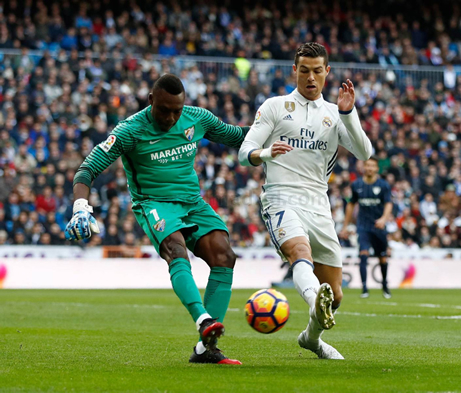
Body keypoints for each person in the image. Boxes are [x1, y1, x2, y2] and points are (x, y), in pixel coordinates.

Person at [65, 74, 249, 365]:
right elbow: (87, 169)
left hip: (192, 202)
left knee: (224, 256)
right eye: (164, 110)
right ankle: (203, 320)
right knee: (176, 251)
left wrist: (276, 127)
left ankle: (206, 350)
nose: (172, 117)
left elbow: (237, 136)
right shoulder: (129, 131)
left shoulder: (196, 118)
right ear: (151, 101)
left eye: (177, 110)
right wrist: (80, 206)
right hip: (154, 204)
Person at [238, 42, 372, 359]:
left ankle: (311, 338)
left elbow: (365, 154)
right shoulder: (274, 107)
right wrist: (267, 153)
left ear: (327, 72)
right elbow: (245, 153)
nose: (311, 77)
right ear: (294, 71)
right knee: (300, 252)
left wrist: (349, 113)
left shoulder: (334, 114)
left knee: (336, 295)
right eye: (304, 70)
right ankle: (314, 302)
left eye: (317, 71)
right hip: (281, 197)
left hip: (318, 204)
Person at [340, 158, 393, 299]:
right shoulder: (356, 185)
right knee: (363, 254)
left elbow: (388, 204)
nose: (369, 168)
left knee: (382, 257)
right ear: (364, 167)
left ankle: (385, 285)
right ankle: (364, 288)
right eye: (367, 165)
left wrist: (383, 219)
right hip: (363, 226)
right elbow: (351, 205)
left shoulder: (383, 185)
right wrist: (345, 226)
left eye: (372, 166)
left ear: (376, 169)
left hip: (378, 226)